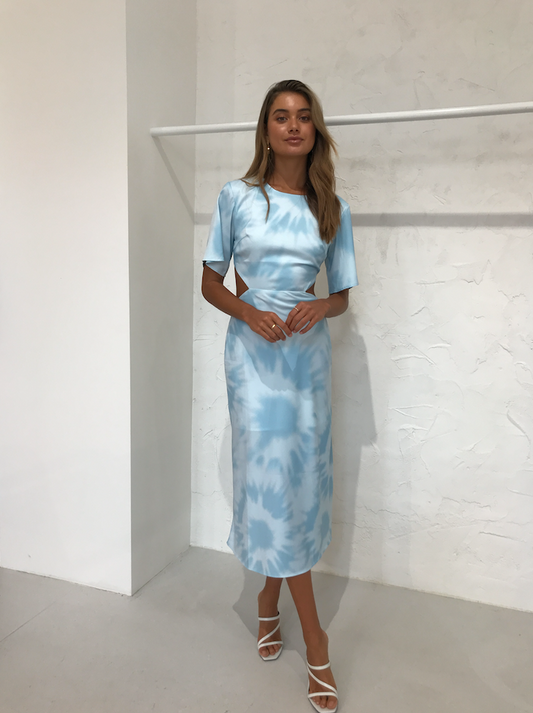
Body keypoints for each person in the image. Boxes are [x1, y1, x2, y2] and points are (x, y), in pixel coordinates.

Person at [201, 79, 358, 712]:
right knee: (271, 483)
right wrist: (248, 311)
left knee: (297, 486)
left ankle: (269, 596)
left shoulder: (331, 208)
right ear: (265, 131)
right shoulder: (237, 196)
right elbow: (211, 282)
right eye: (280, 116)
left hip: (306, 362)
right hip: (253, 361)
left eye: (303, 116)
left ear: (315, 131)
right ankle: (316, 640)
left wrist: (321, 306)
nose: (293, 126)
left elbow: (341, 294)